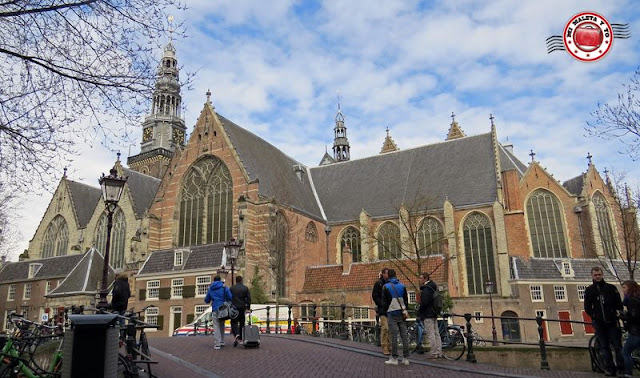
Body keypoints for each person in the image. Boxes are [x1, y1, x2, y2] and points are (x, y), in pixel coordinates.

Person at [584, 266, 623, 376]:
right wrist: (595, 316)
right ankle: (610, 369)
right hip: (599, 323)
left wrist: (615, 313)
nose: (597, 277)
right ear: (592, 276)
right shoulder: (589, 290)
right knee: (604, 347)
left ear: (602, 275)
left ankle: (621, 369)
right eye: (595, 275)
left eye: (599, 275)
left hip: (612, 322)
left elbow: (618, 303)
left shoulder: (611, 288)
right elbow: (587, 307)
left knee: (617, 346)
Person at [382, 269, 410, 366]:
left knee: (394, 336)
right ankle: (406, 358)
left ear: (388, 276)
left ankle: (394, 358)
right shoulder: (402, 285)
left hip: (392, 313)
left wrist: (385, 311)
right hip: (401, 313)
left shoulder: (386, 286)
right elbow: (406, 300)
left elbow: (385, 302)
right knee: (404, 336)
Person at [418, 272, 442, 359]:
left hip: (428, 314)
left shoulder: (426, 289)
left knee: (431, 334)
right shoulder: (433, 287)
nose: (419, 280)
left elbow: (425, 302)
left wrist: (419, 310)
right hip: (434, 313)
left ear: (425, 279)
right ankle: (439, 352)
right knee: (436, 334)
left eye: (421, 278)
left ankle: (433, 353)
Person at [205, 276, 233, 350]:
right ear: (220, 280)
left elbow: (207, 300)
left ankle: (217, 343)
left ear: (214, 281)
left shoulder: (211, 289)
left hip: (215, 309)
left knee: (216, 326)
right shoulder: (224, 287)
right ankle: (222, 341)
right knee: (222, 325)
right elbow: (230, 297)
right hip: (223, 309)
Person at [620, 280, 640, 377]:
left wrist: (623, 316)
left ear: (630, 288)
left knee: (626, 352)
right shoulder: (638, 297)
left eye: (624, 288)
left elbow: (634, 317)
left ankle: (628, 374)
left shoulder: (632, 300)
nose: (623, 290)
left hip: (636, 331)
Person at [372, 268, 390, 355]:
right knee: (385, 327)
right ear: (383, 274)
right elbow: (374, 295)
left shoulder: (391, 283)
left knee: (390, 328)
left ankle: (390, 346)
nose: (388, 275)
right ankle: (385, 346)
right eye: (386, 273)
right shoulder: (378, 284)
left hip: (391, 309)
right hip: (383, 309)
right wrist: (381, 304)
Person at [230, 276, 251, 346]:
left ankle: (236, 334)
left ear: (236, 281)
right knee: (242, 322)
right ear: (241, 280)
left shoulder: (232, 288)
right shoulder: (245, 288)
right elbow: (248, 298)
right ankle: (241, 337)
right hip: (242, 307)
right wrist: (248, 307)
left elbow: (229, 297)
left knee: (234, 322)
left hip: (234, 308)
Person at [111, 268, 131, 339]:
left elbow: (117, 293)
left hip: (117, 305)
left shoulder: (118, 282)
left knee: (115, 322)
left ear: (117, 275)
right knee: (122, 322)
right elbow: (129, 294)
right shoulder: (126, 282)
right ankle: (123, 337)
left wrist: (113, 302)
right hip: (124, 305)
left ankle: (114, 337)